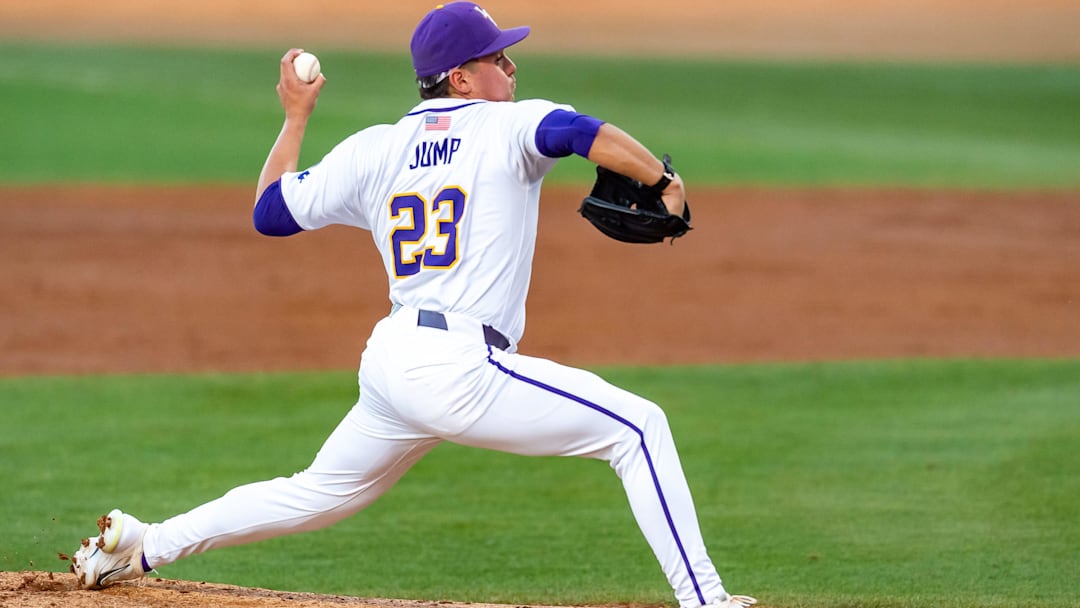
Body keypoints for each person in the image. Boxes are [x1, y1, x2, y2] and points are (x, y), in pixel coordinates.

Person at [68, 3, 756, 607]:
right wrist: (663, 179)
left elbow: (271, 210)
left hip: (394, 362)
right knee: (637, 428)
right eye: (498, 56)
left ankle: (142, 546)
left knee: (314, 491)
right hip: (458, 367)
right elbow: (581, 132)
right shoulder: (510, 124)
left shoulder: (378, 148)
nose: (512, 68)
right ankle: (709, 602)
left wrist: (295, 118)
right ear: (461, 76)